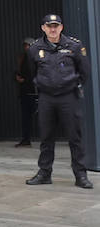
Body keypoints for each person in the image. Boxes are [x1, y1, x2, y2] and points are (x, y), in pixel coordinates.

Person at [26, 13, 92, 188]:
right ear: (43, 28)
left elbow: (84, 72)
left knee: (74, 137)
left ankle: (81, 175)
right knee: (46, 137)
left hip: (68, 97)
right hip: (47, 97)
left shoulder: (74, 46)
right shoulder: (35, 48)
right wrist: (41, 85)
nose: (53, 29)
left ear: (61, 27)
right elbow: (32, 72)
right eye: (49, 26)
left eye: (56, 26)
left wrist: (71, 85)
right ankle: (44, 173)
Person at [15, 37, 38, 147]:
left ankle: (27, 138)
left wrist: (25, 80)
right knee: (26, 117)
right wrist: (18, 78)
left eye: (28, 45)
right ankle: (26, 138)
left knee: (31, 115)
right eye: (25, 46)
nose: (26, 48)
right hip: (25, 91)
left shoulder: (35, 58)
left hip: (33, 91)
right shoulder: (23, 58)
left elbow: (36, 74)